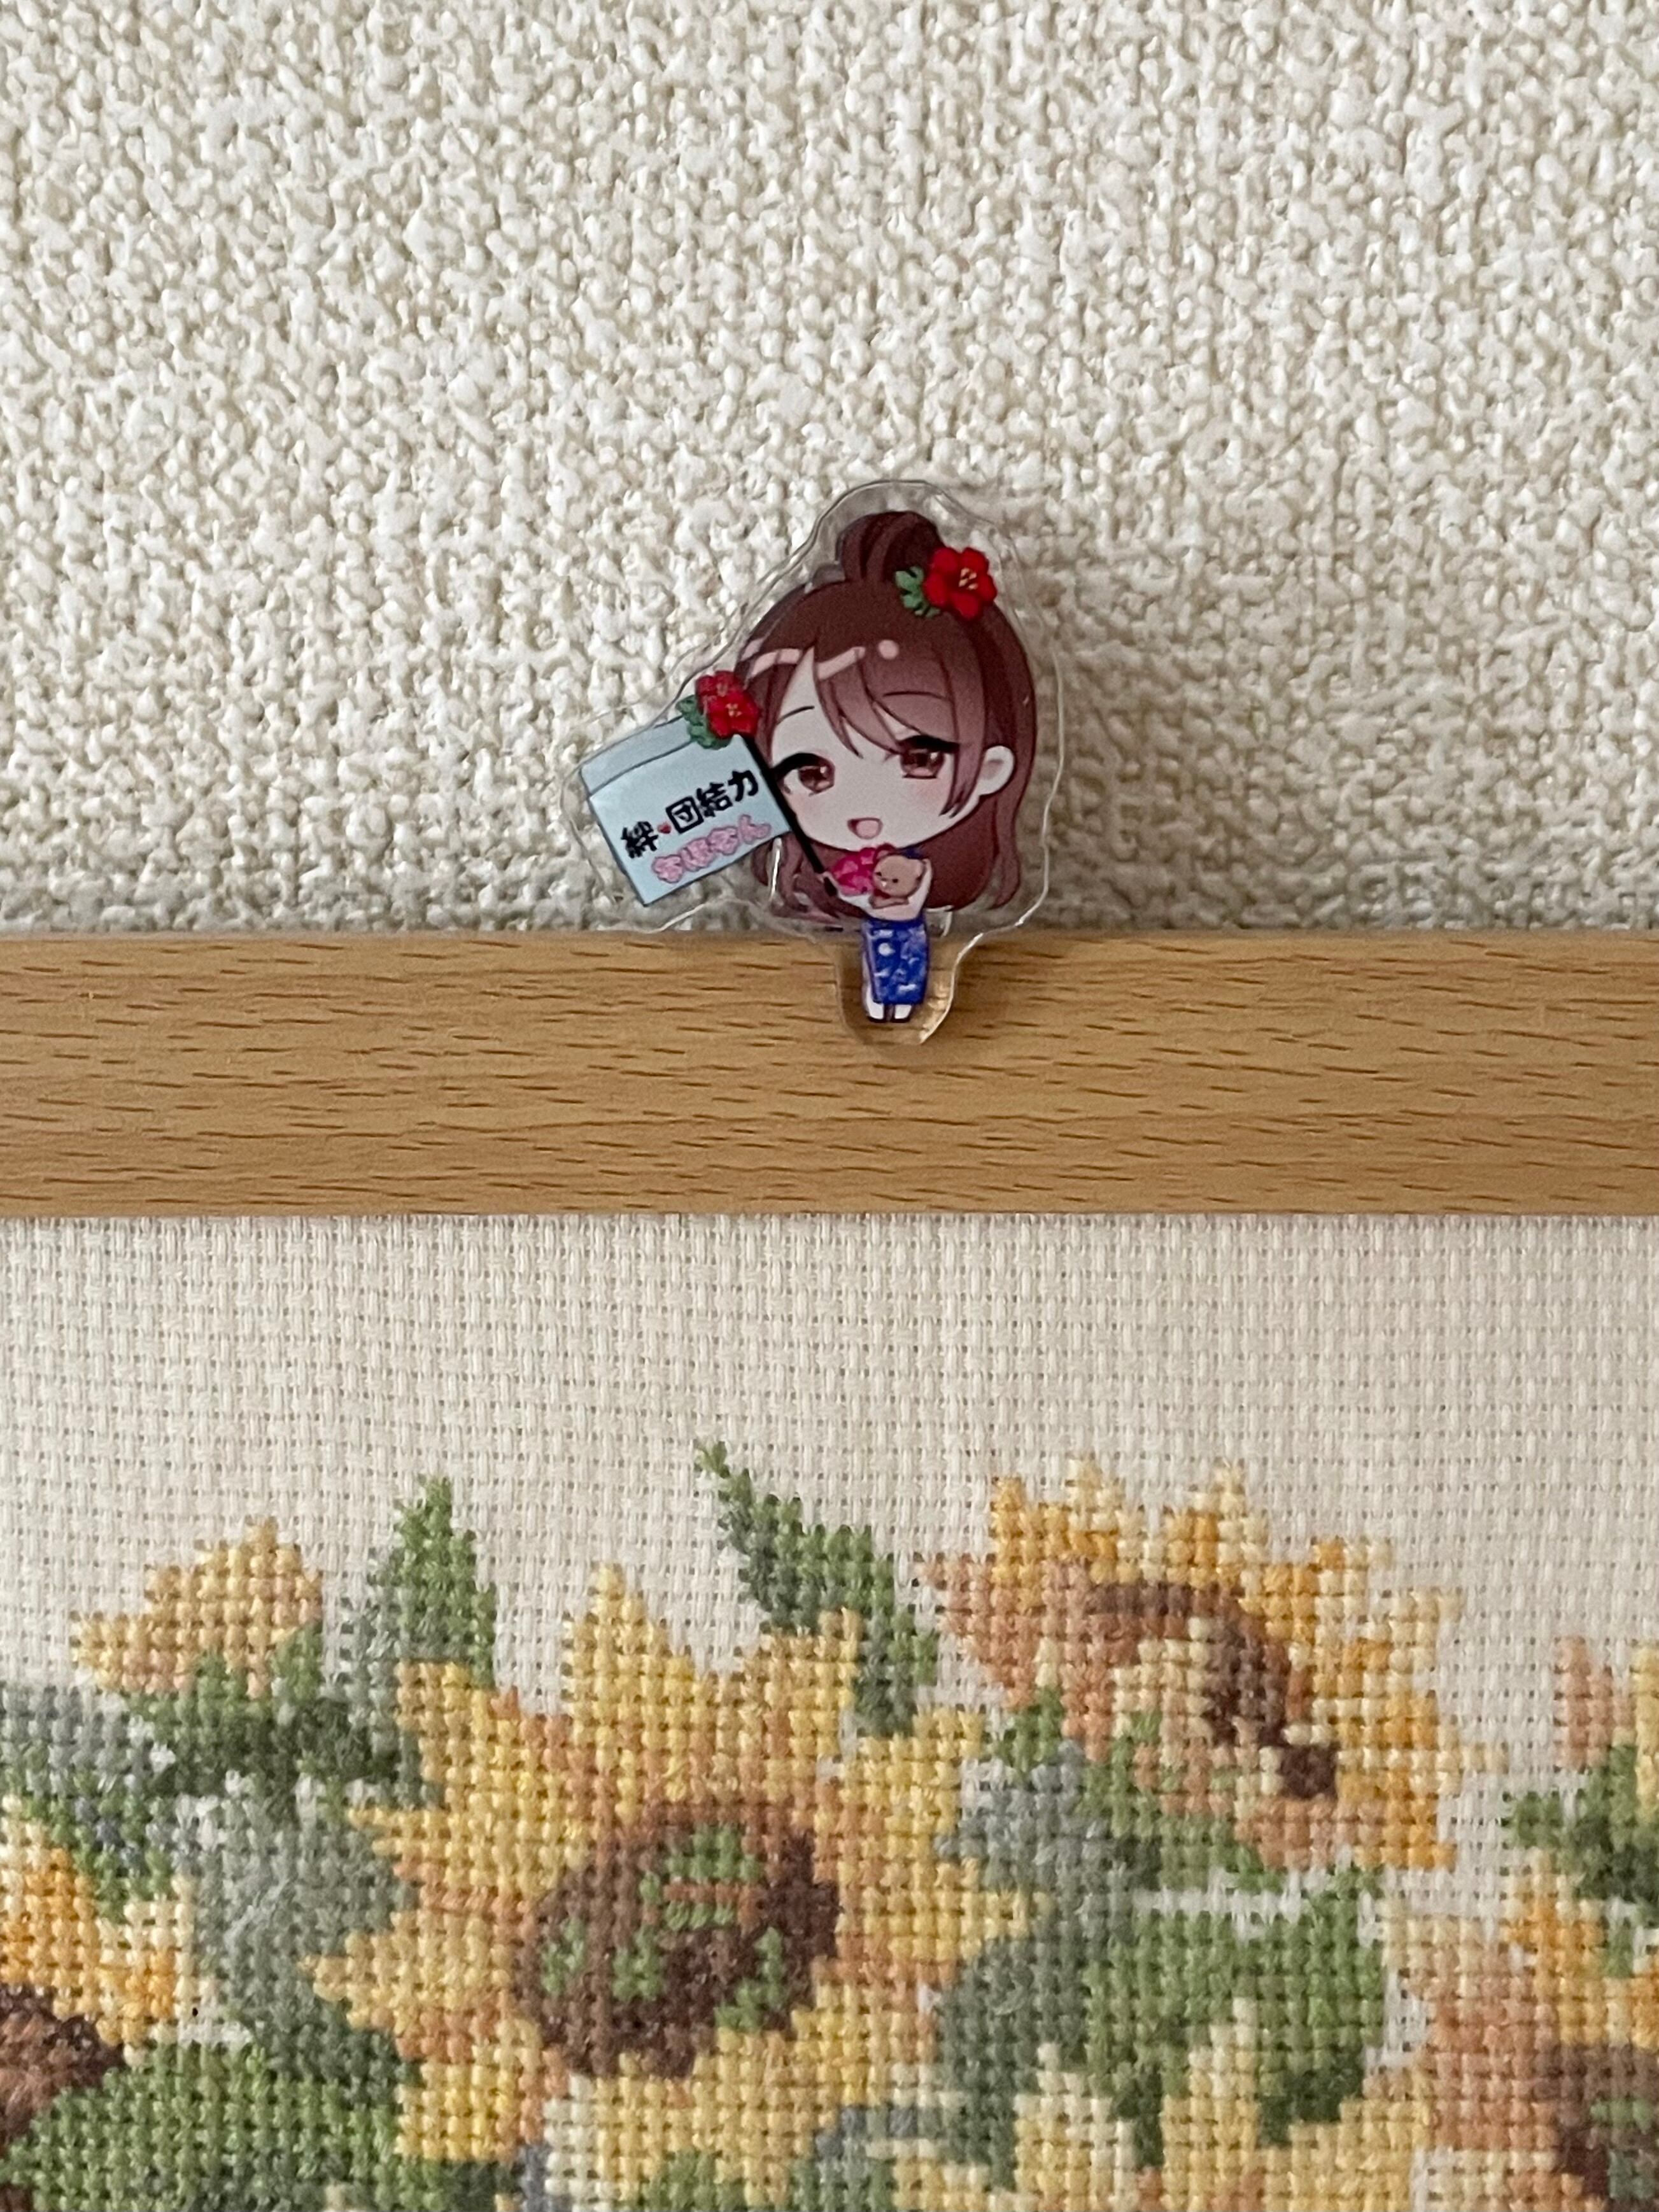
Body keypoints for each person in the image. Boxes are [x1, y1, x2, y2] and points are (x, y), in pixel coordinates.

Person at [728, 509, 1039, 1020]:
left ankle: (893, 998)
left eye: (919, 759)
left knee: (900, 973)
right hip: (808, 987)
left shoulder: (917, 871)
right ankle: (886, 998)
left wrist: (870, 900)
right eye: (812, 772)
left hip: (930, 962)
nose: (865, 811)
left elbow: (899, 904)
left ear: (990, 768)